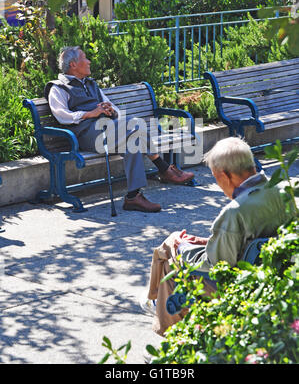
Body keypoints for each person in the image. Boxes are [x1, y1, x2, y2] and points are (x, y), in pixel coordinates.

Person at [141, 137, 291, 336]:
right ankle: (154, 301)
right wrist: (208, 241)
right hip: (276, 275)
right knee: (173, 246)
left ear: (224, 176)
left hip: (236, 283)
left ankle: (170, 335)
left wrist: (181, 248)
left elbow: (217, 265)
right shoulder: (285, 190)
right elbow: (244, 242)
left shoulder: (235, 212)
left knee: (170, 256)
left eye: (215, 178)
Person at [45, 46, 194, 213]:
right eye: (85, 58)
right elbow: (62, 115)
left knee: (134, 142)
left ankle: (133, 197)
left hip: (108, 131)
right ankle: (164, 168)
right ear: (73, 64)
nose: (89, 61)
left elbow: (115, 109)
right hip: (87, 136)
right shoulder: (58, 88)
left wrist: (110, 110)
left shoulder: (92, 84)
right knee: (136, 124)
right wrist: (90, 113)